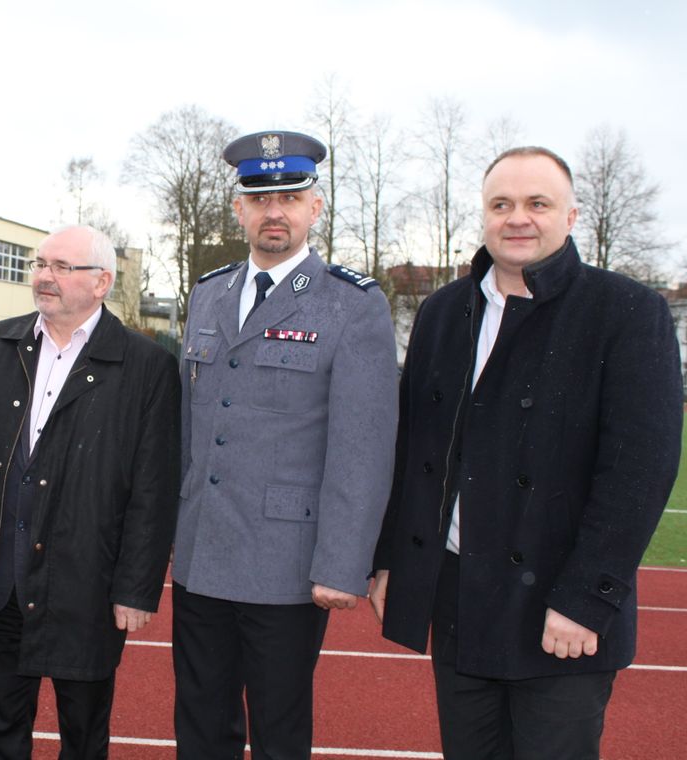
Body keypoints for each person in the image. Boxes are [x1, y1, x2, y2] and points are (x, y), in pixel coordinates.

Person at [369, 147, 683, 759]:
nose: (518, 218)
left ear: (570, 216)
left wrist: (584, 601)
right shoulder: (442, 313)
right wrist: (390, 560)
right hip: (460, 598)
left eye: (537, 203)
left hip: (557, 607)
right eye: (501, 204)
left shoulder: (624, 312)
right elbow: (413, 451)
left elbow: (639, 472)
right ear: (483, 217)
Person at [172, 131, 399, 759]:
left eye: (291, 197)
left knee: (278, 730)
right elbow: (190, 432)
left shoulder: (352, 305)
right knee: (200, 723)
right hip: (200, 552)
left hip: (288, 563)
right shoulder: (208, 294)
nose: (276, 211)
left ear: (315, 208)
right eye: (260, 196)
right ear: (239, 207)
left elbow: (365, 446)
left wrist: (341, 562)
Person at [0, 225, 180, 760]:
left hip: (84, 586)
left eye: (62, 267)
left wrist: (136, 586)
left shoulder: (146, 367)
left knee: (84, 738)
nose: (44, 276)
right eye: (41, 263)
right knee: (0, 728)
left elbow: (154, 488)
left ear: (102, 282)